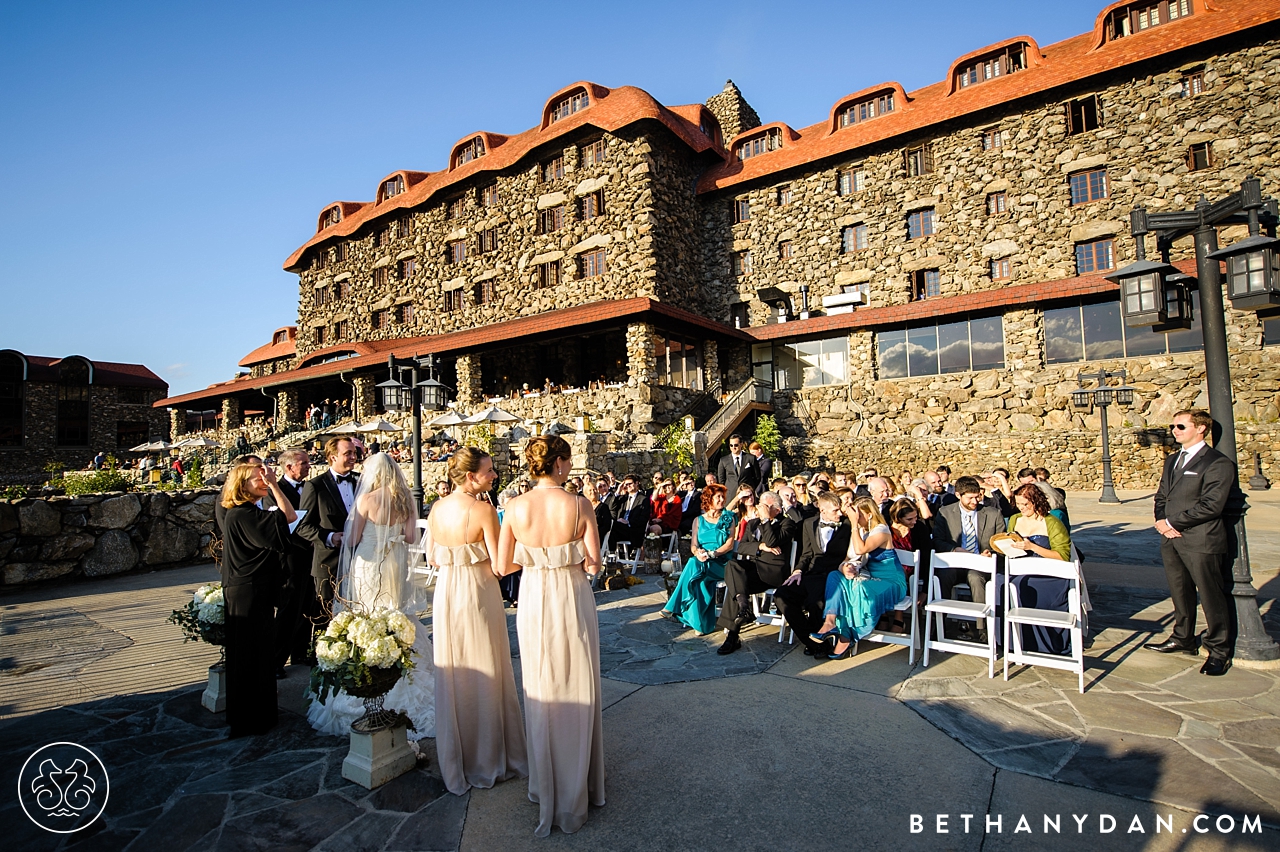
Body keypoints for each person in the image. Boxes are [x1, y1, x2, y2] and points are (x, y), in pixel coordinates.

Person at [497, 435, 605, 836]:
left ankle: (544, 785)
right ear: (558, 464)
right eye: (569, 461)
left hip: (534, 597)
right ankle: (580, 785)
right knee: (577, 684)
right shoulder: (579, 504)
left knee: (539, 683)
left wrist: (536, 557)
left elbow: (503, 564)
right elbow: (594, 564)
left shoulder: (514, 506)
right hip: (571, 596)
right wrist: (572, 556)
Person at [307, 453, 437, 739]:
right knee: (396, 614)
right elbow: (412, 538)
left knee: (368, 613)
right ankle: (408, 673)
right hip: (394, 564)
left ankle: (371, 676)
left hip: (368, 564)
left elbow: (352, 540)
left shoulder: (366, 500)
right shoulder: (404, 499)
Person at [427, 446, 528, 795]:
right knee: (487, 669)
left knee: (454, 670)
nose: (494, 475)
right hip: (478, 593)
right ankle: (488, 757)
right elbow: (502, 565)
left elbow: (433, 557)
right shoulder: (483, 509)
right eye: (489, 471)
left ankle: (459, 756)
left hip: (447, 594)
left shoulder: (438, 508)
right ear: (471, 476)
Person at [1146, 409, 1237, 676]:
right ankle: (1183, 637)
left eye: (1181, 426)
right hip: (1171, 538)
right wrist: (1162, 521)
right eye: (1173, 426)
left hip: (1201, 539)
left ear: (1201, 429)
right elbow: (1162, 495)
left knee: (1211, 595)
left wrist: (1174, 523)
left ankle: (1219, 650)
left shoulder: (1217, 463)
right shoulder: (1172, 460)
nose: (1175, 431)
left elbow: (1212, 505)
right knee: (1180, 591)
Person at [220, 461, 296, 737]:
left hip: (250, 589)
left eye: (265, 478)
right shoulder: (242, 515)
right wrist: (276, 485)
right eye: (257, 479)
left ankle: (255, 714)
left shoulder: (245, 513)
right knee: (250, 654)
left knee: (254, 653)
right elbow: (288, 516)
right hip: (248, 592)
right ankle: (251, 717)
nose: (263, 481)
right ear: (242, 486)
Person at [811, 497, 907, 658]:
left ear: (869, 515)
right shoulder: (862, 531)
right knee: (835, 576)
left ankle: (848, 636)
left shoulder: (882, 530)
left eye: (858, 514)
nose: (854, 517)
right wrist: (845, 567)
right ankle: (829, 623)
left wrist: (854, 525)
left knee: (858, 588)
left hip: (891, 581)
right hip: (868, 577)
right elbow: (850, 558)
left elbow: (860, 549)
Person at [715, 492, 796, 655]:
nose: (760, 508)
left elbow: (773, 541)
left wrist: (766, 520)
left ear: (777, 510)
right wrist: (760, 547)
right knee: (733, 567)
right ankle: (744, 608)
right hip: (754, 567)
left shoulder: (787, 524)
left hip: (772, 574)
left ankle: (733, 636)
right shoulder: (752, 524)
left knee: (735, 587)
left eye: (765, 506)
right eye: (760, 504)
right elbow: (741, 547)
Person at [263, 448, 317, 676]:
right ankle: (275, 661)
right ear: (289, 467)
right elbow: (276, 521)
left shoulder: (311, 487)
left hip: (311, 555)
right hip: (288, 556)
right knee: (288, 608)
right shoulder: (273, 491)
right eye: (303, 463)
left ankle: (300, 652)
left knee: (308, 605)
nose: (308, 466)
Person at [931, 475, 1004, 641]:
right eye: (970, 498)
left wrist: (990, 553)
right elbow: (937, 540)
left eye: (977, 496)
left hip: (980, 563)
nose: (975, 501)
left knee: (975, 577)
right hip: (956, 561)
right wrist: (954, 549)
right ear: (958, 495)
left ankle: (982, 628)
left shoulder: (993, 514)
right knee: (944, 576)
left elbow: (1000, 542)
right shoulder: (945, 513)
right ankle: (939, 625)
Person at [297, 437, 360, 620]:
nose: (353, 457)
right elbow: (303, 526)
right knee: (326, 621)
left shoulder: (361, 482)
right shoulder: (315, 486)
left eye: (354, 453)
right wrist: (330, 537)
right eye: (347, 453)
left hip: (359, 563)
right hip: (328, 565)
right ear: (332, 457)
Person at [783, 490, 852, 658]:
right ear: (823, 510)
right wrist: (798, 570)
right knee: (782, 595)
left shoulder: (848, 525)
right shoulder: (809, 523)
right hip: (811, 572)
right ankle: (811, 640)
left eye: (839, 509)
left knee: (816, 601)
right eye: (835, 510)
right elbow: (806, 553)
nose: (840, 513)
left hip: (834, 574)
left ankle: (818, 643)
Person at [661, 483, 735, 635]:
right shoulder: (698, 520)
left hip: (721, 563)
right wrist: (698, 553)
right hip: (702, 560)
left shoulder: (728, 518)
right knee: (697, 576)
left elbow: (729, 545)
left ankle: (673, 606)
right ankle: (701, 625)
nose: (722, 500)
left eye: (723, 497)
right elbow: (694, 545)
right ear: (709, 500)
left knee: (692, 565)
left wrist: (712, 554)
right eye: (718, 497)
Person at [1006, 484, 1070, 560]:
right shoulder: (1014, 519)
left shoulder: (1052, 522)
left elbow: (1063, 556)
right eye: (1018, 504)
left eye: (1025, 504)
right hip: (1018, 568)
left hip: (1045, 568)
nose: (1021, 508)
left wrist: (1032, 547)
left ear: (1036, 501)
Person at [607, 475, 650, 553]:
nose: (628, 486)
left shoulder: (643, 499)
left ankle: (611, 554)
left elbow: (643, 519)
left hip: (633, 530)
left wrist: (628, 522)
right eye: (626, 484)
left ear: (636, 483)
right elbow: (611, 507)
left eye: (630, 483)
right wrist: (617, 492)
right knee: (608, 527)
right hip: (621, 529)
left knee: (612, 526)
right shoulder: (623, 498)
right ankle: (611, 553)